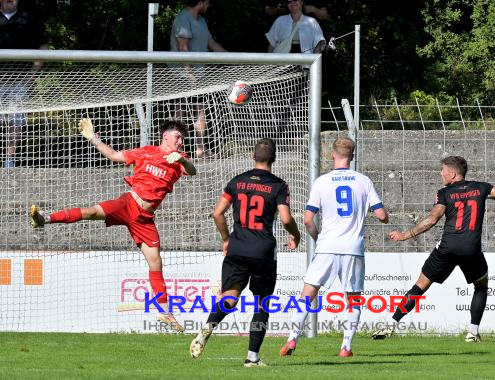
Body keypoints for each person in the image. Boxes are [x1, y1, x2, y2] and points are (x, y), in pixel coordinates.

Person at [30, 118, 197, 332]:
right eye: (177, 137)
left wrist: (182, 161)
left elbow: (192, 171)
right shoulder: (145, 151)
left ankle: (165, 313)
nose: (180, 141)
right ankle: (45, 219)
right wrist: (93, 138)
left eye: (182, 138)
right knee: (90, 212)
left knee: (156, 262)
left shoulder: (180, 159)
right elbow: (113, 155)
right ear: (166, 136)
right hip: (128, 203)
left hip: (145, 218)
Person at [372, 156, 495, 342]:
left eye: (442, 170)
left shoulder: (444, 193)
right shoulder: (481, 187)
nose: (440, 173)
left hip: (446, 248)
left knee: (419, 286)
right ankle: (473, 333)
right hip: (471, 250)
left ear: (452, 174)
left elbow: (432, 219)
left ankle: (389, 326)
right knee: (481, 287)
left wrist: (405, 235)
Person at [190, 138, 301, 367]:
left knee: (229, 298)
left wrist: (226, 239)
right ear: (274, 158)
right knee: (262, 304)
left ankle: (208, 327)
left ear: (253, 156)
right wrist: (295, 235)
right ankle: (252, 358)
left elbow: (217, 213)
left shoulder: (238, 181)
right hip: (263, 251)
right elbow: (286, 218)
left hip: (237, 248)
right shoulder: (278, 185)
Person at [280, 136, 389, 358]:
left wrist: (317, 238)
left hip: (327, 246)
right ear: (353, 156)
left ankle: (292, 338)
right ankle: (345, 347)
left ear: (332, 155)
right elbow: (381, 215)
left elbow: (308, 219)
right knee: (354, 298)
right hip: (353, 247)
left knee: (307, 295)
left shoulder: (322, 181)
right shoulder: (363, 181)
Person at [170, 0, 226, 159]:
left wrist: (233, 59)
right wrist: (189, 73)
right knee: (180, 112)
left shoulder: (201, 21)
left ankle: (200, 150)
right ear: (200, 2)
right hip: (181, 74)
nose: (209, 5)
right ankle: (174, 150)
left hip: (199, 75)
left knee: (200, 110)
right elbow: (183, 47)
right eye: (208, 2)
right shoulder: (182, 19)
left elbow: (212, 43)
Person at [0, 0, 48, 168]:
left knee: (15, 123)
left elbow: (43, 47)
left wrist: (33, 74)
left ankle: (9, 161)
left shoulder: (29, 19)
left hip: (19, 83)